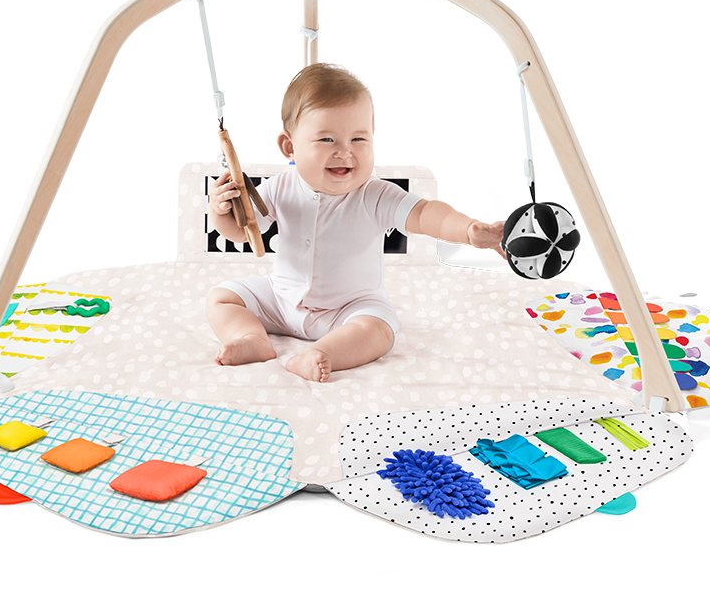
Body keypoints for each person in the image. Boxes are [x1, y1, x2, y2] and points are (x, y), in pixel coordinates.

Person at [205, 63, 505, 383]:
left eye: (359, 138)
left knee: (378, 328)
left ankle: (322, 353)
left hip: (346, 310)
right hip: (280, 300)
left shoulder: (374, 195)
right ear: (290, 147)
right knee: (221, 297)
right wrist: (221, 212)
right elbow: (243, 231)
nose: (345, 151)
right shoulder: (280, 186)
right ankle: (252, 339)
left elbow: (425, 213)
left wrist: (470, 231)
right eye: (327, 139)